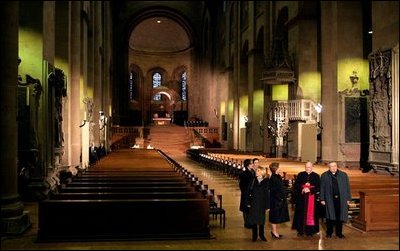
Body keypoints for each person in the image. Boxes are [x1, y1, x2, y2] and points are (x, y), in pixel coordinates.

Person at [320, 162, 352, 238]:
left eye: (335, 166)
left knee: (340, 216)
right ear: (329, 167)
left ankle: (339, 233)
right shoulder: (324, 175)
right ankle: (329, 232)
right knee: (329, 216)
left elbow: (348, 187)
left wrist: (348, 198)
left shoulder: (343, 175)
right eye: (331, 166)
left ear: (337, 166)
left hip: (341, 199)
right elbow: (322, 188)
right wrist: (322, 199)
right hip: (329, 198)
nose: (333, 167)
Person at [292, 161, 321, 237]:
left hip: (312, 198)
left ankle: (310, 231)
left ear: (312, 167)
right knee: (301, 213)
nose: (307, 168)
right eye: (306, 167)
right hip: (302, 198)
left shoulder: (316, 176)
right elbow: (296, 185)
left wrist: (310, 190)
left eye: (309, 167)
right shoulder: (301, 174)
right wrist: (302, 188)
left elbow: (319, 187)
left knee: (311, 214)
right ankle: (300, 230)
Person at [245, 166, 270, 242]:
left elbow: (267, 194)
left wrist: (268, 206)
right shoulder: (253, 180)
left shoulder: (266, 181)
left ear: (262, 172)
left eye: (258, 171)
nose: (256, 172)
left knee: (261, 220)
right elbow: (248, 192)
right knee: (254, 220)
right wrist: (248, 202)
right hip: (254, 202)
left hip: (262, 203)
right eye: (256, 170)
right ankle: (254, 236)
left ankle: (261, 235)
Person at [268, 162, 290, 239]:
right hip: (275, 201)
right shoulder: (273, 178)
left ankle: (275, 231)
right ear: (275, 169)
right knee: (274, 217)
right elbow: (273, 190)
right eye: (279, 167)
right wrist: (280, 198)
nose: (280, 168)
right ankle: (274, 232)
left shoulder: (277, 176)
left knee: (277, 216)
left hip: (279, 199)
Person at [239, 159, 255, 228]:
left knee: (250, 208)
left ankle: (250, 221)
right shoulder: (244, 173)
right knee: (245, 208)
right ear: (248, 165)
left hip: (252, 193)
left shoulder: (253, 172)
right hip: (246, 193)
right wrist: (246, 192)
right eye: (251, 163)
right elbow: (241, 184)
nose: (253, 164)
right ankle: (247, 223)